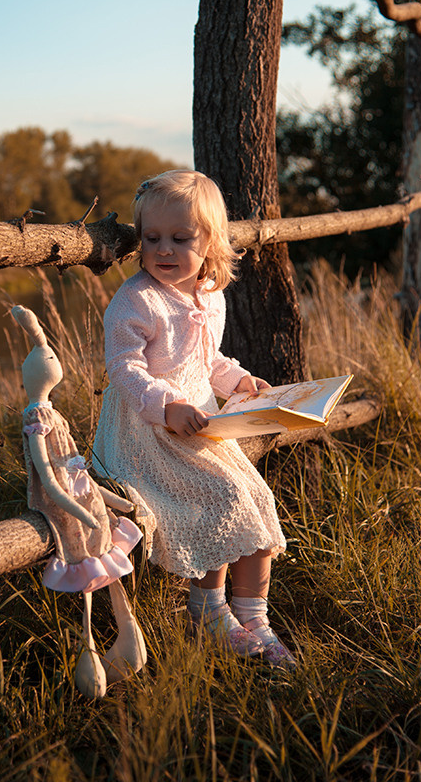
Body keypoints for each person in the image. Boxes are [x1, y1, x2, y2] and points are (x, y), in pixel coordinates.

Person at [92, 170, 294, 667]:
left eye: (181, 239)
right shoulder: (136, 300)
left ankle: (254, 617)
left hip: (199, 422)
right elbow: (123, 367)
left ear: (210, 242)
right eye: (152, 238)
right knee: (223, 498)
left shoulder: (210, 294)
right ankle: (208, 612)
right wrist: (166, 405)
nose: (164, 250)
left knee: (257, 498)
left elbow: (210, 360)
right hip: (147, 429)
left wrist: (241, 383)